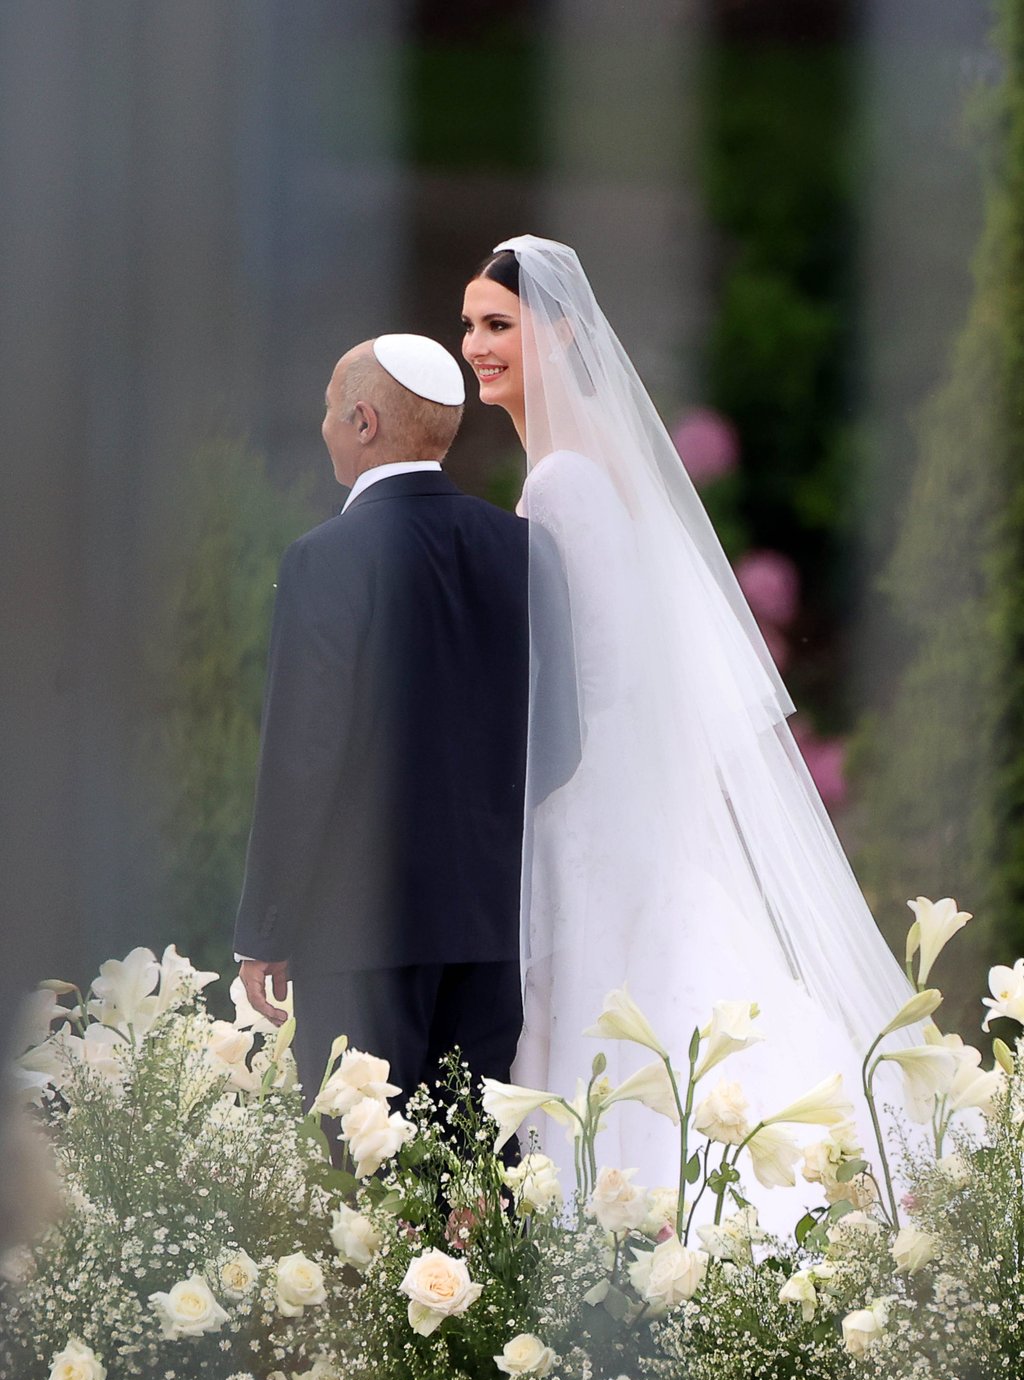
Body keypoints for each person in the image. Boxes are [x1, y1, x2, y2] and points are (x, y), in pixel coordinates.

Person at [460, 238, 917, 1214]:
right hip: (617, 797)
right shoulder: (585, 468)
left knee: (613, 1011)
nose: (475, 345)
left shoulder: (559, 483)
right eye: (467, 326)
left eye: (498, 324)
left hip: (584, 803)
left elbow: (601, 669)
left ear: (561, 332)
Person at [234, 334, 542, 1109]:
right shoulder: (521, 546)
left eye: (330, 410)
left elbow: (303, 755)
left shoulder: (325, 556)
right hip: (493, 926)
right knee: (473, 1192)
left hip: (359, 927)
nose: (324, 426)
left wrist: (267, 927)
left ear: (364, 422)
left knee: (363, 1188)